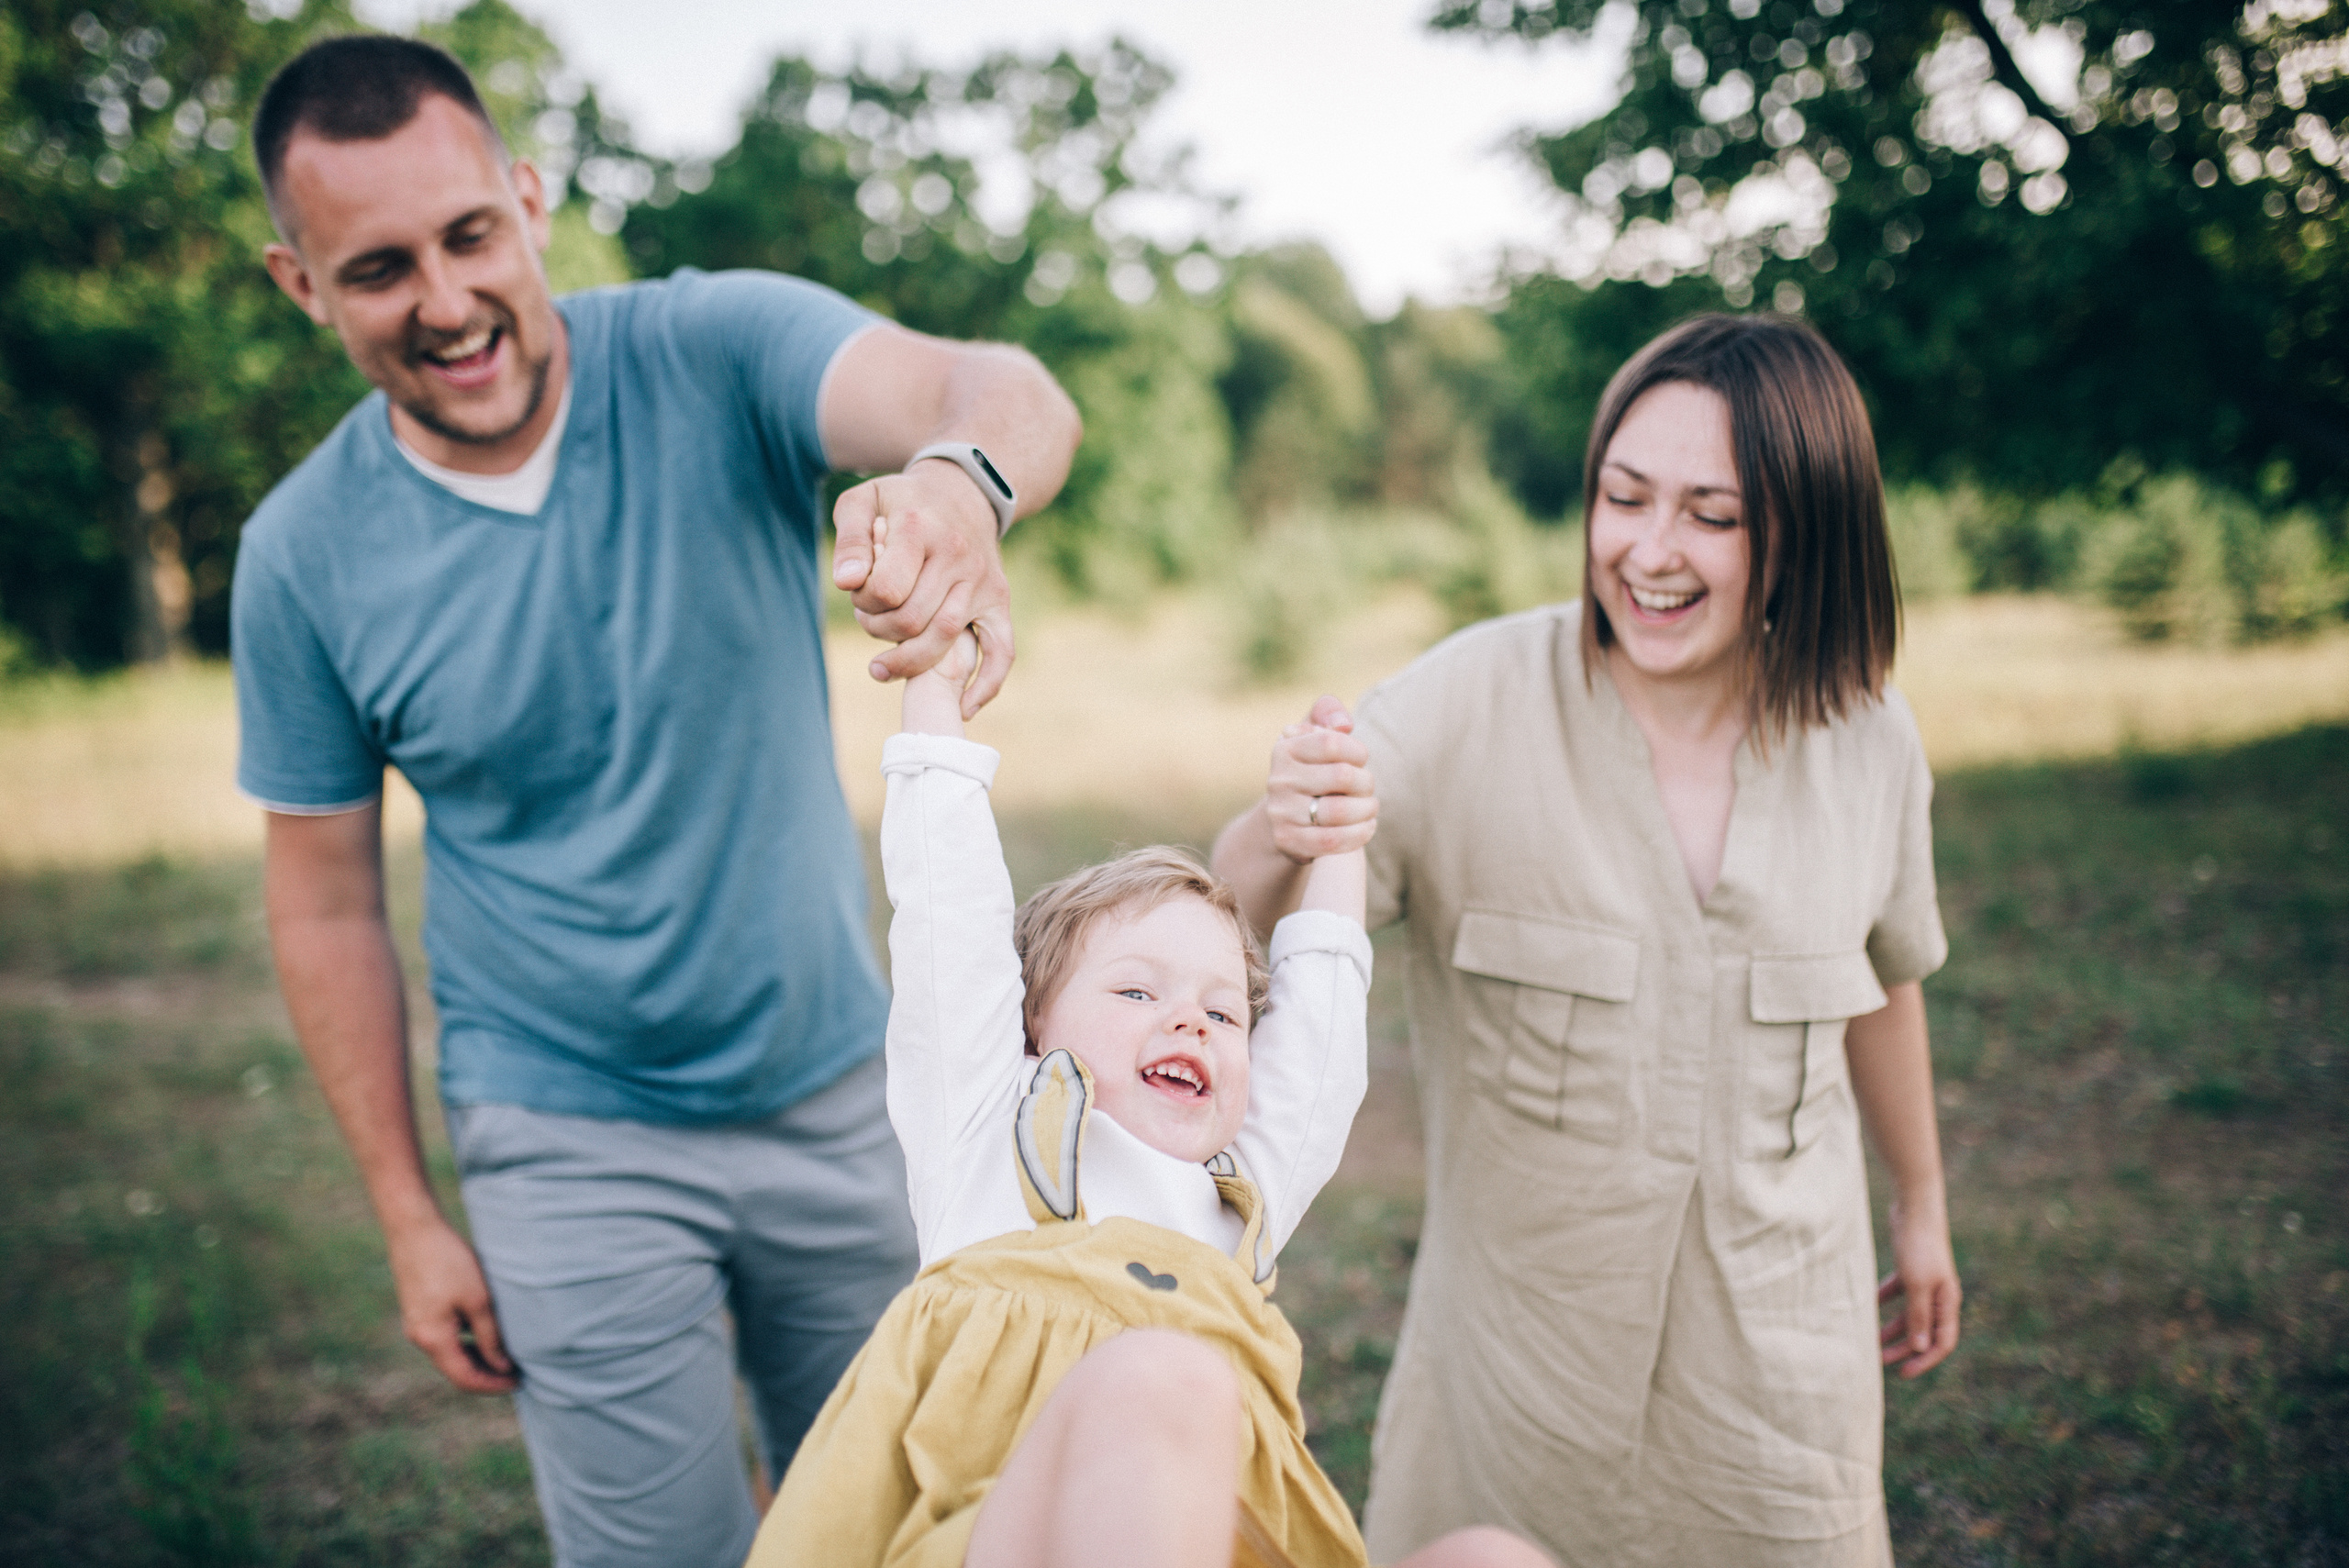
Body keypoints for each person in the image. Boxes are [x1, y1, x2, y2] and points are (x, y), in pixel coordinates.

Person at [232, 35, 1080, 1568]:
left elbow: (999, 388)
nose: (443, 300)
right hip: (563, 1131)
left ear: (530, 197)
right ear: (301, 284)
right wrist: (411, 1216)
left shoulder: (715, 350)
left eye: (470, 235)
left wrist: (957, 482)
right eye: (376, 269)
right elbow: (325, 896)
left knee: (915, 1528)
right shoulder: (302, 556)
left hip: (839, 1086)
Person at [1212, 314, 1962, 1567]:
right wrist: (1275, 827)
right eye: (1624, 497)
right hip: (1515, 1381)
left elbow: (1884, 981)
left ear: (1805, 525)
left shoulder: (1871, 739)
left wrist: (1924, 1205)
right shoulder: (1460, 705)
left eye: (1712, 516)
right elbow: (1237, 927)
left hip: (1782, 1379)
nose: (1649, 552)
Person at [745, 628, 1549, 1568]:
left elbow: (1322, 1032)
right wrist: (933, 677)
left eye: (1222, 1010)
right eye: (1136, 991)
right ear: (1030, 1022)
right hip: (1003, 1532)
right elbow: (946, 906)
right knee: (1167, 1375)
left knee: (1495, 1558)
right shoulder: (985, 1132)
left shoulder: (1238, 1194)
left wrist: (1339, 837)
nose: (1192, 1022)